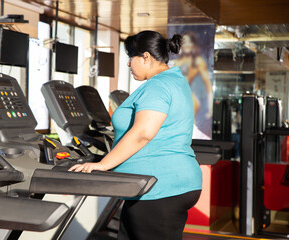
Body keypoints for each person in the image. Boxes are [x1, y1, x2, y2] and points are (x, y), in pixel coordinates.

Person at [69, 30, 202, 240]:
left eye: (131, 57)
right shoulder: (174, 80)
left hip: (158, 187)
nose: (129, 64)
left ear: (146, 57)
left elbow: (142, 133)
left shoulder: (158, 86)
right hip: (166, 183)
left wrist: (104, 164)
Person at [171, 31, 213, 118]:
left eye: (189, 42)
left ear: (193, 44)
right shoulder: (175, 62)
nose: (186, 45)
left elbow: (208, 84)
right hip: (174, 99)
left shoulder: (197, 61)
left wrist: (210, 108)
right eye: (184, 42)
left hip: (188, 99)